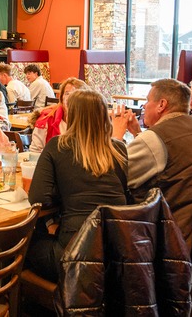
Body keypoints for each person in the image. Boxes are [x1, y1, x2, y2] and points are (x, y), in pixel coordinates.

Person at [112, 78, 192, 250]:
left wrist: (116, 137)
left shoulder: (156, 138)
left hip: (169, 241)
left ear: (161, 105)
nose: (144, 106)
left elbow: (111, 177)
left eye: (147, 101)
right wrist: (138, 133)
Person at [26, 89, 128, 283]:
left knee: (22, 242)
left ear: (72, 116)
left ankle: (28, 305)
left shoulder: (58, 145)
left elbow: (38, 198)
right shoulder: (119, 148)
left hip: (75, 255)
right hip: (116, 251)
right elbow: (121, 191)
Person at [29, 77, 90, 153]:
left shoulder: (90, 121)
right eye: (67, 94)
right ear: (61, 98)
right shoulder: (47, 118)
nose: (69, 98)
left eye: (75, 95)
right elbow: (35, 151)